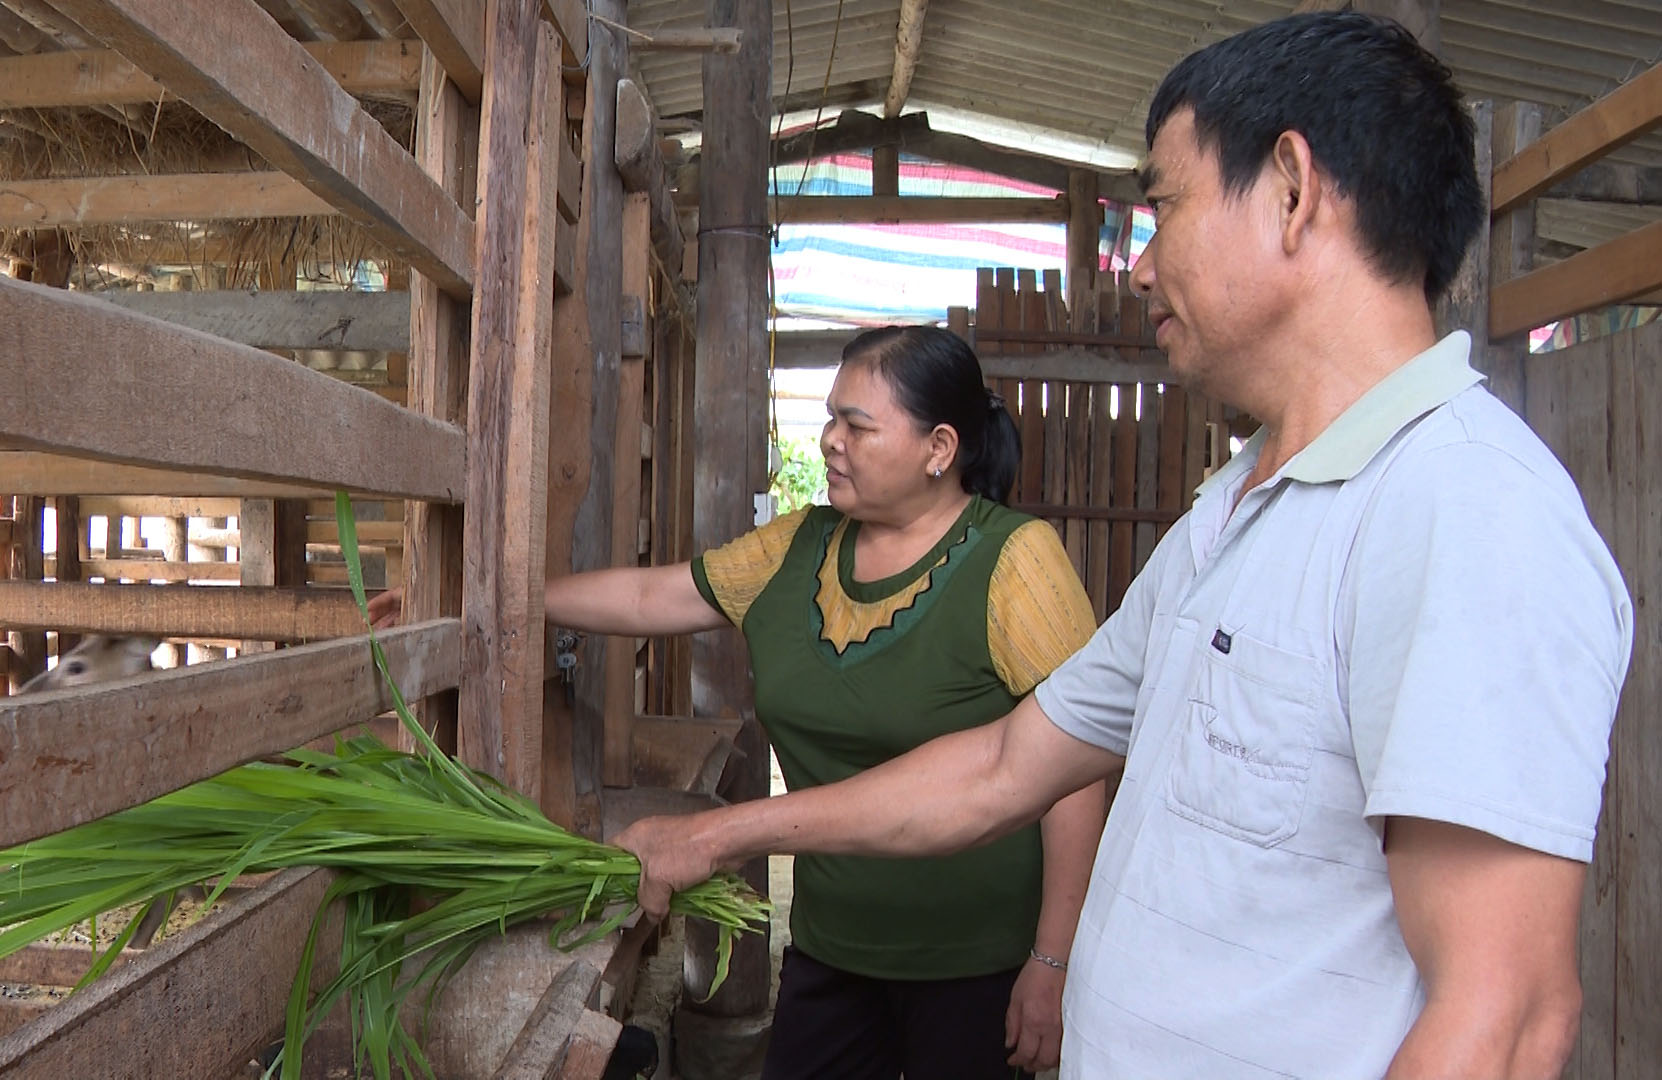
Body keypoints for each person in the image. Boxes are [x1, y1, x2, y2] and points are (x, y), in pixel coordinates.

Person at [616, 13, 1635, 1080]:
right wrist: (714, 838)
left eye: (1165, 205)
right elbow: (1007, 767)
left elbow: (1507, 1018)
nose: (1142, 268)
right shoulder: (1234, 517)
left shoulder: (1465, 509)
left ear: (1292, 190)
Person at [372, 324, 1106, 1077]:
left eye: (859, 425)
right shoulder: (799, 546)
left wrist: (1051, 960)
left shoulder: (1015, 560)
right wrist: (487, 604)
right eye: (830, 418)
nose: (830, 441)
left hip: (976, 961)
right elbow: (652, 592)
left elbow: (1075, 775)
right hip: (834, 945)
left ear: (940, 448)